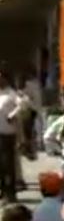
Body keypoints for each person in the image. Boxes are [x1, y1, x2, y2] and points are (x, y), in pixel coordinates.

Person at [0, 73, 24, 202]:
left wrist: (12, 115)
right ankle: (3, 190)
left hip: (7, 134)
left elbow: (22, 104)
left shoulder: (11, 93)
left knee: (8, 164)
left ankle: (10, 192)